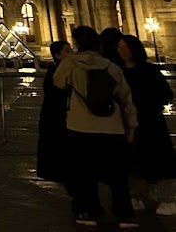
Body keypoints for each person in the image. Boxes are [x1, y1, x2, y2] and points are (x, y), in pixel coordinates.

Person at [54, 25, 139, 228]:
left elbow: (58, 83)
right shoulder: (110, 66)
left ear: (77, 43)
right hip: (112, 126)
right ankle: (125, 214)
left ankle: (87, 211)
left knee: (83, 173)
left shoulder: (71, 63)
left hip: (81, 126)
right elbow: (126, 98)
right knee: (118, 175)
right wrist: (131, 126)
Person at [118, 34, 176, 216]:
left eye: (125, 47)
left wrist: (148, 106)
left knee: (158, 159)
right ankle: (136, 195)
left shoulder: (149, 70)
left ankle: (166, 198)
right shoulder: (118, 71)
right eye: (119, 47)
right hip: (128, 123)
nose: (122, 50)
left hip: (150, 123)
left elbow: (166, 94)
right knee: (133, 160)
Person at [38, 40, 73, 190]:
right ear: (57, 55)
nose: (71, 53)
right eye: (67, 50)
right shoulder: (56, 73)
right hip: (60, 119)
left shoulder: (62, 70)